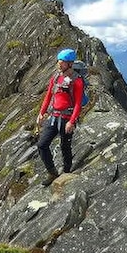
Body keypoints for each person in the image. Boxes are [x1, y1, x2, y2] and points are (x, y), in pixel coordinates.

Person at [36, 48, 85, 187]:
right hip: (54, 116)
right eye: (59, 61)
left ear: (69, 64)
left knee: (65, 146)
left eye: (62, 62)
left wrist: (71, 121)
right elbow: (48, 96)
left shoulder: (77, 81)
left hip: (66, 118)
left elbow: (77, 103)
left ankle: (66, 172)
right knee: (42, 145)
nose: (59, 64)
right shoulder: (56, 77)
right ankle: (52, 172)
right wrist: (41, 113)